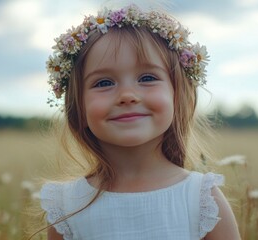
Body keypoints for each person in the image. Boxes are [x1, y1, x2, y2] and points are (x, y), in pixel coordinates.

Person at [37, 3, 240, 240]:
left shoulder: (201, 200)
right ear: (78, 108)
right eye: (103, 83)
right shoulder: (67, 206)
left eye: (147, 77)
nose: (127, 95)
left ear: (178, 96)